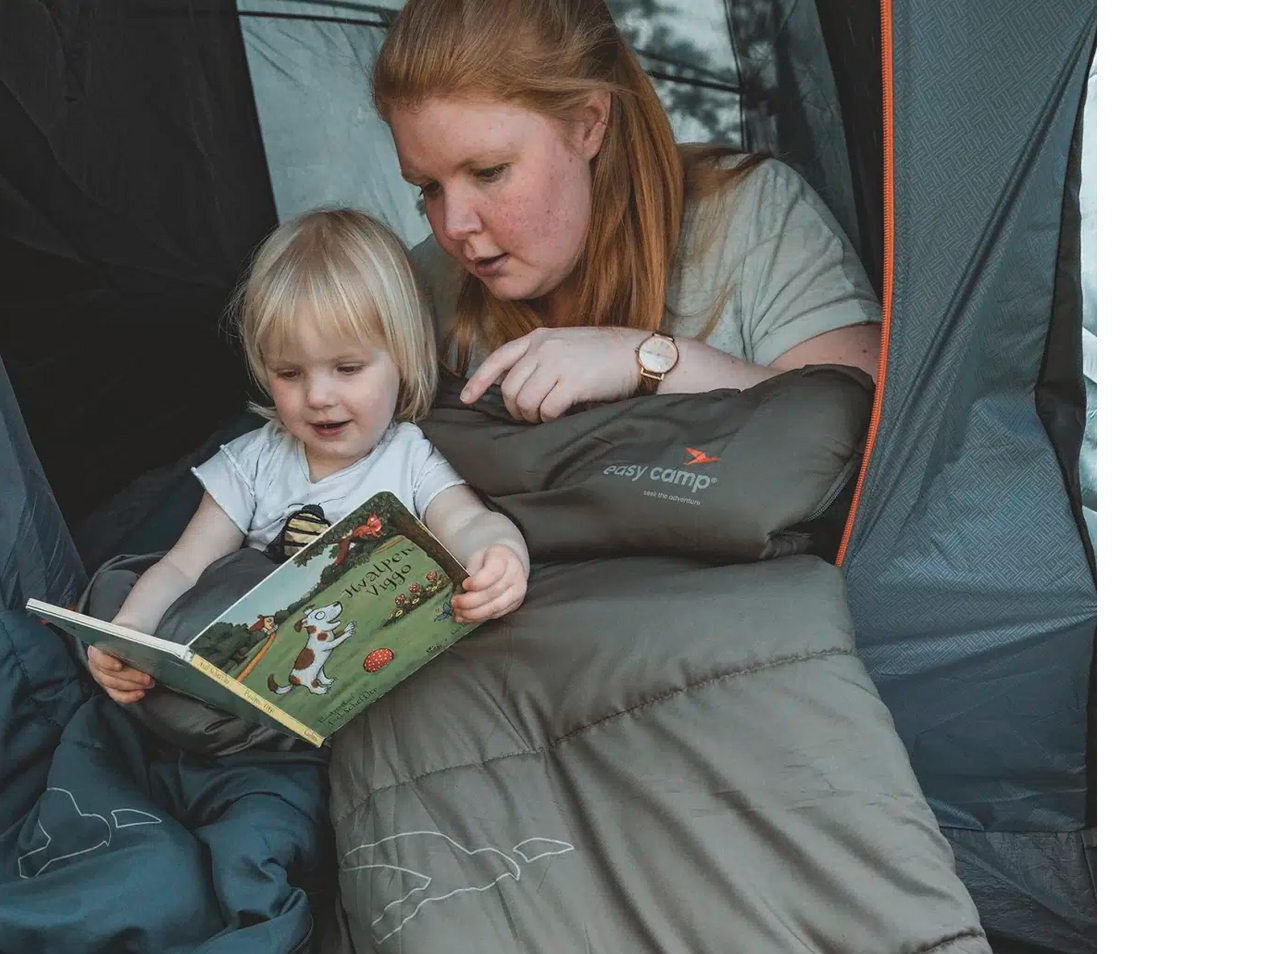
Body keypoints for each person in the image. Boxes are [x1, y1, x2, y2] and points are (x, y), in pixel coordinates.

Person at [88, 208, 531, 706]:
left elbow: (470, 523)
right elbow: (183, 567)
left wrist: (500, 558)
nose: (318, 396)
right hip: (255, 684)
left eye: (346, 368)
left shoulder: (410, 459)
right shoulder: (253, 462)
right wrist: (129, 632)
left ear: (402, 358)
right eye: (290, 374)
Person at [372, 0, 883, 424]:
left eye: (488, 172)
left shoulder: (753, 216)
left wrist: (647, 361)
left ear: (588, 124)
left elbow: (874, 435)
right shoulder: (419, 290)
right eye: (428, 188)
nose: (454, 225)